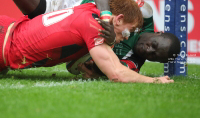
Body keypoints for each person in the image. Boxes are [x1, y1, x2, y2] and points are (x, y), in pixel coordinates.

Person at [0, 0, 173, 83]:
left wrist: (108, 24)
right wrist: (155, 81)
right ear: (118, 19)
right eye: (129, 30)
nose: (128, 37)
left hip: (8, 30)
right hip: (3, 45)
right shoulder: (97, 28)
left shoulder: (92, 9)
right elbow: (116, 73)